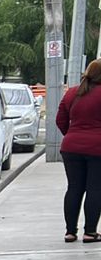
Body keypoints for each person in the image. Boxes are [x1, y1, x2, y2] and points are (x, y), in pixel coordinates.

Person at [56, 61, 101, 243]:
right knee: (95, 189)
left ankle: (70, 232)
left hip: (71, 148)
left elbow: (60, 120)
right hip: (98, 148)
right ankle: (90, 232)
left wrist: (73, 135)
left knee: (74, 188)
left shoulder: (72, 92)